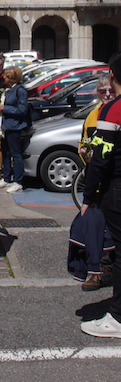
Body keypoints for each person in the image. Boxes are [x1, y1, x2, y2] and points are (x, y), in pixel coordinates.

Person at [80, 52, 121, 338]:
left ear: (113, 76)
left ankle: (118, 317)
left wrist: (88, 196)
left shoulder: (113, 109)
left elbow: (100, 158)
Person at [75, 75, 116, 291]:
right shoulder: (92, 116)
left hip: (113, 180)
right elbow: (85, 142)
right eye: (103, 91)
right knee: (96, 229)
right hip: (96, 178)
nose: (107, 94)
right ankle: (98, 271)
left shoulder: (116, 113)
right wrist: (83, 152)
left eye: (110, 90)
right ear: (97, 93)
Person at [0, 66, 29, 194]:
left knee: (16, 154)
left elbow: (22, 110)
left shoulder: (20, 91)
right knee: (5, 153)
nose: (4, 78)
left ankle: (18, 181)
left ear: (12, 78)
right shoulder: (8, 90)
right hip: (5, 126)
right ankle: (6, 178)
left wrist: (5, 108)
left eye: (6, 76)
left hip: (14, 126)